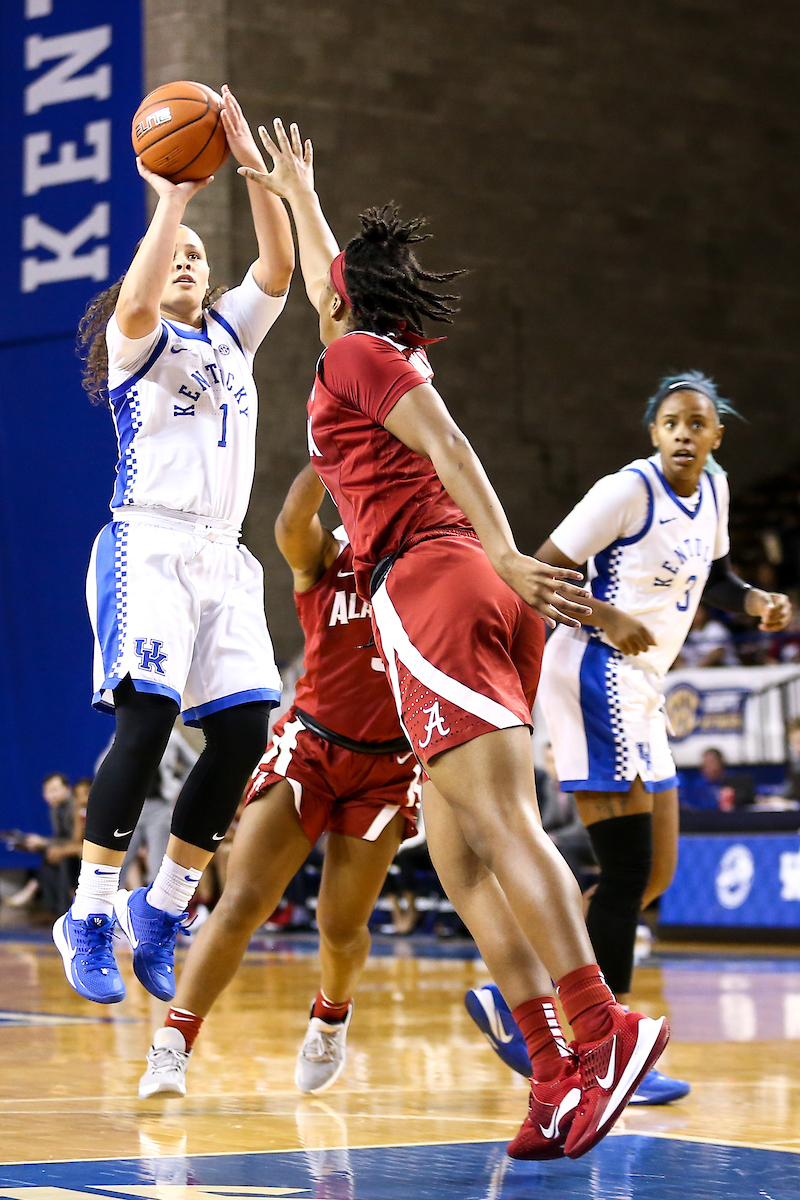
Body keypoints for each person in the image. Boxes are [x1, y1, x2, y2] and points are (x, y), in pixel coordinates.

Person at [236, 119, 671, 1162]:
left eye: (331, 285)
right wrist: (299, 195)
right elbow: (331, 285)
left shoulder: (357, 353)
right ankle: (554, 1072)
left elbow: (451, 444)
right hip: (442, 592)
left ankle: (602, 1030)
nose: (322, 292)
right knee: (455, 852)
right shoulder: (367, 346)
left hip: (440, 580)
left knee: (503, 826)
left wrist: (510, 554)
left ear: (345, 302)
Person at [469, 373, 792, 1104]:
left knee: (656, 874)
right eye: (671, 422)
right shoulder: (626, 491)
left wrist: (755, 602)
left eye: (696, 424)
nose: (683, 434)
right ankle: (605, 1052)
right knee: (624, 872)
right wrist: (607, 616)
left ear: (715, 437)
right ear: (654, 433)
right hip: (591, 667)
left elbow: (714, 577)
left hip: (645, 683)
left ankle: (522, 997)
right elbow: (537, 571)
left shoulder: (715, 491)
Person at [52, 86, 295, 1007]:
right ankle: (88, 913)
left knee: (243, 732)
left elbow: (278, 265)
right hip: (146, 545)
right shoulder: (138, 341)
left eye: (199, 255)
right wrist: (174, 198)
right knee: (148, 721)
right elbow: (145, 287)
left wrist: (251, 170)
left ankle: (161, 910)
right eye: (174, 256)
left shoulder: (231, 337)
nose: (188, 260)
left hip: (223, 557)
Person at [137, 463, 421, 1100]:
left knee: (340, 926)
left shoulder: (427, 564)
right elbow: (292, 521)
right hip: (310, 749)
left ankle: (330, 1016)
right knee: (243, 900)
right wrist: (332, 448)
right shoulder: (326, 556)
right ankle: (172, 1044)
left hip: (388, 767)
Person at [7, 773, 81, 914]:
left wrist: (45, 843)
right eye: (47, 791)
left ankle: (36, 891)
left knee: (53, 854)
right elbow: (60, 837)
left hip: (77, 851)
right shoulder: (55, 809)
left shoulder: (74, 808)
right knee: (49, 856)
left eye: (55, 790)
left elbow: (75, 840)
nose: (51, 795)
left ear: (68, 789)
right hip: (64, 848)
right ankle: (51, 905)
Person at [678, 747, 755, 811]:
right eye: (705, 763)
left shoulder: (735, 781)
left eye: (712, 762)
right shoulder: (698, 784)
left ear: (721, 763)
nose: (708, 767)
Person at [674, 602, 737, 667]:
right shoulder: (686, 632)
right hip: (694, 670)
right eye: (692, 612)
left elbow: (718, 653)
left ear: (705, 612)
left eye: (697, 612)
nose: (694, 615)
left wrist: (700, 668)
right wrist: (679, 667)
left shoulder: (715, 627)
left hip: (723, 668)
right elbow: (679, 655)